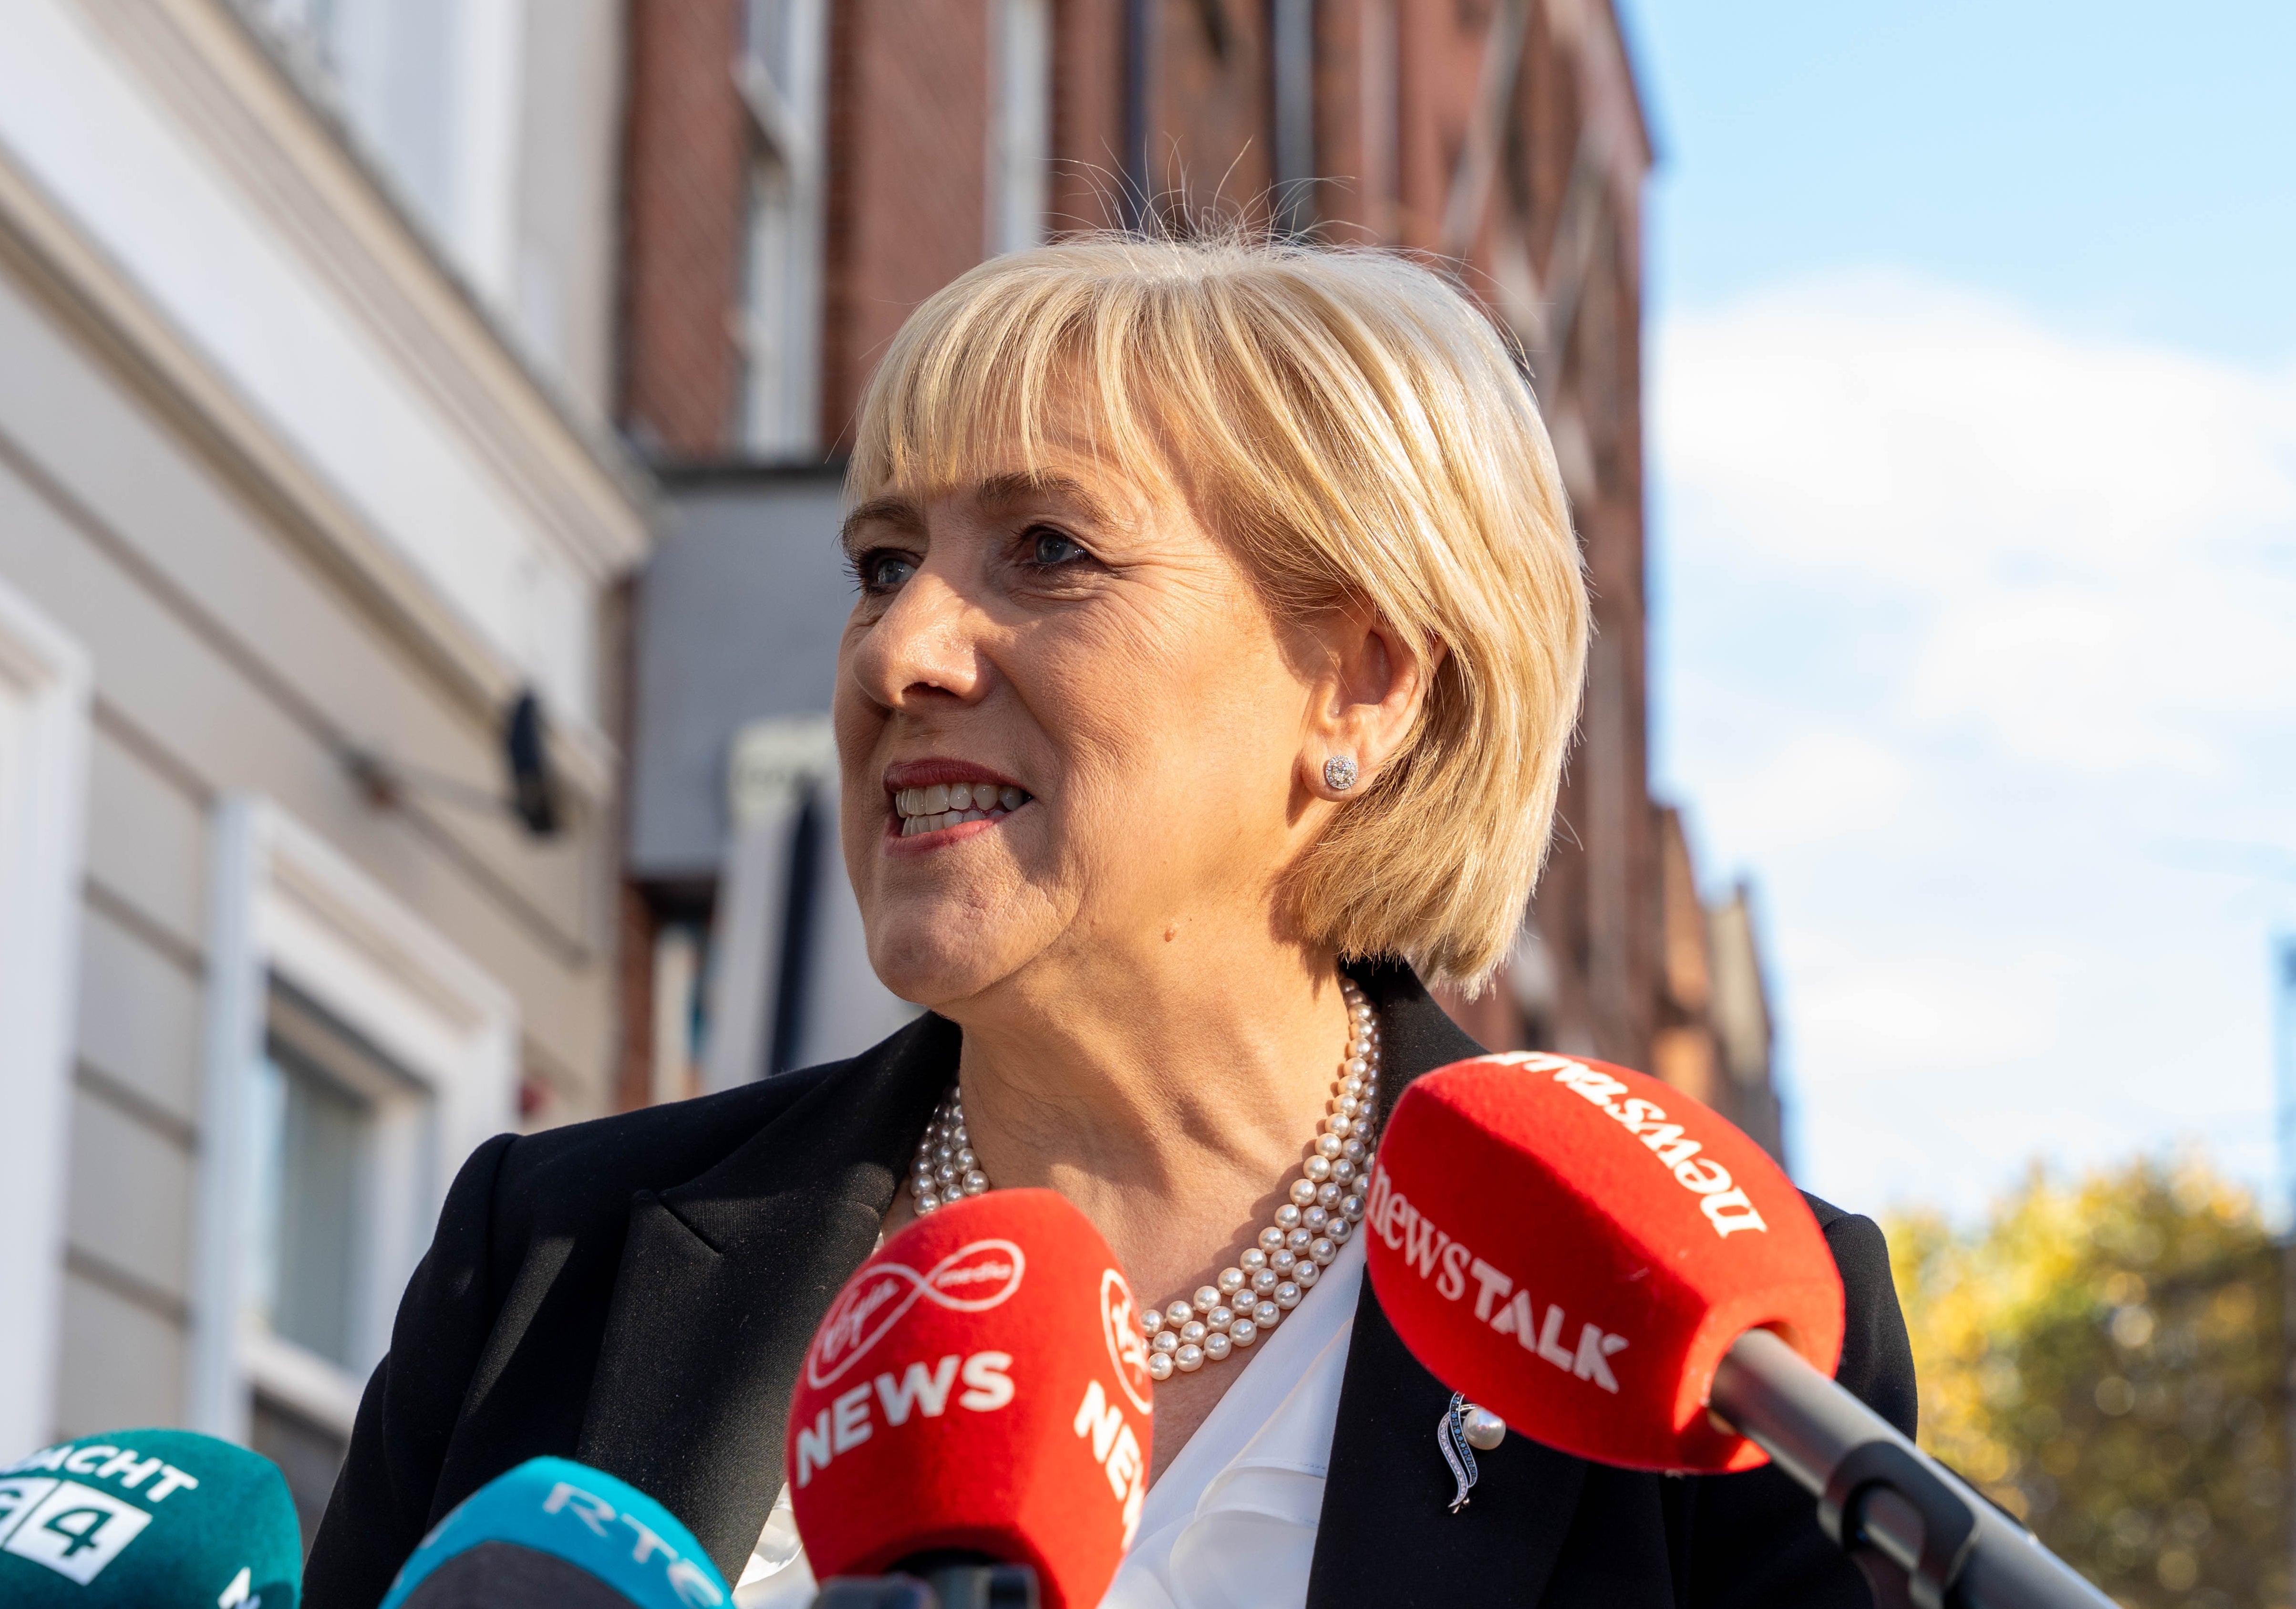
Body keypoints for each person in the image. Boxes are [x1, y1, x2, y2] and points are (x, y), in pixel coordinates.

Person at [305, 235, 1915, 1609]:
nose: (899, 653)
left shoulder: (1712, 1351)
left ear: (1359, 683)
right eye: (882, 564)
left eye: (1050, 551)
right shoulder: (554, 1257)